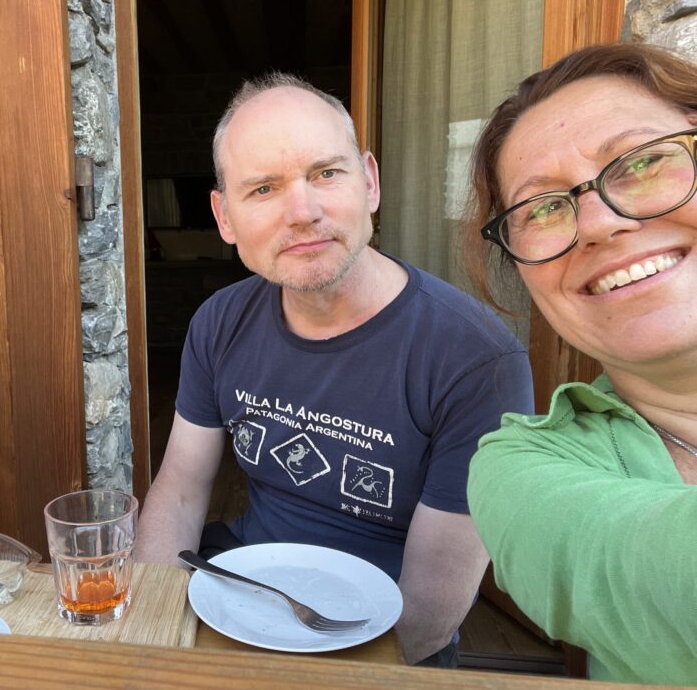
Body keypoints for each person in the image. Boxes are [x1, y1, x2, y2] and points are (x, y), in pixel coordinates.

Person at [135, 74, 534, 665]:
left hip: (384, 639)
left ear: (369, 182)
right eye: (264, 188)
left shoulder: (475, 359)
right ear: (224, 217)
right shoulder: (220, 322)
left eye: (326, 173)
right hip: (246, 598)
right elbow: (182, 491)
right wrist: (153, 637)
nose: (304, 212)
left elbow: (431, 600)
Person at [464, 43, 697, 685]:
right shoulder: (524, 470)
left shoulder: (446, 339)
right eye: (541, 207)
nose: (596, 223)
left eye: (642, 163)